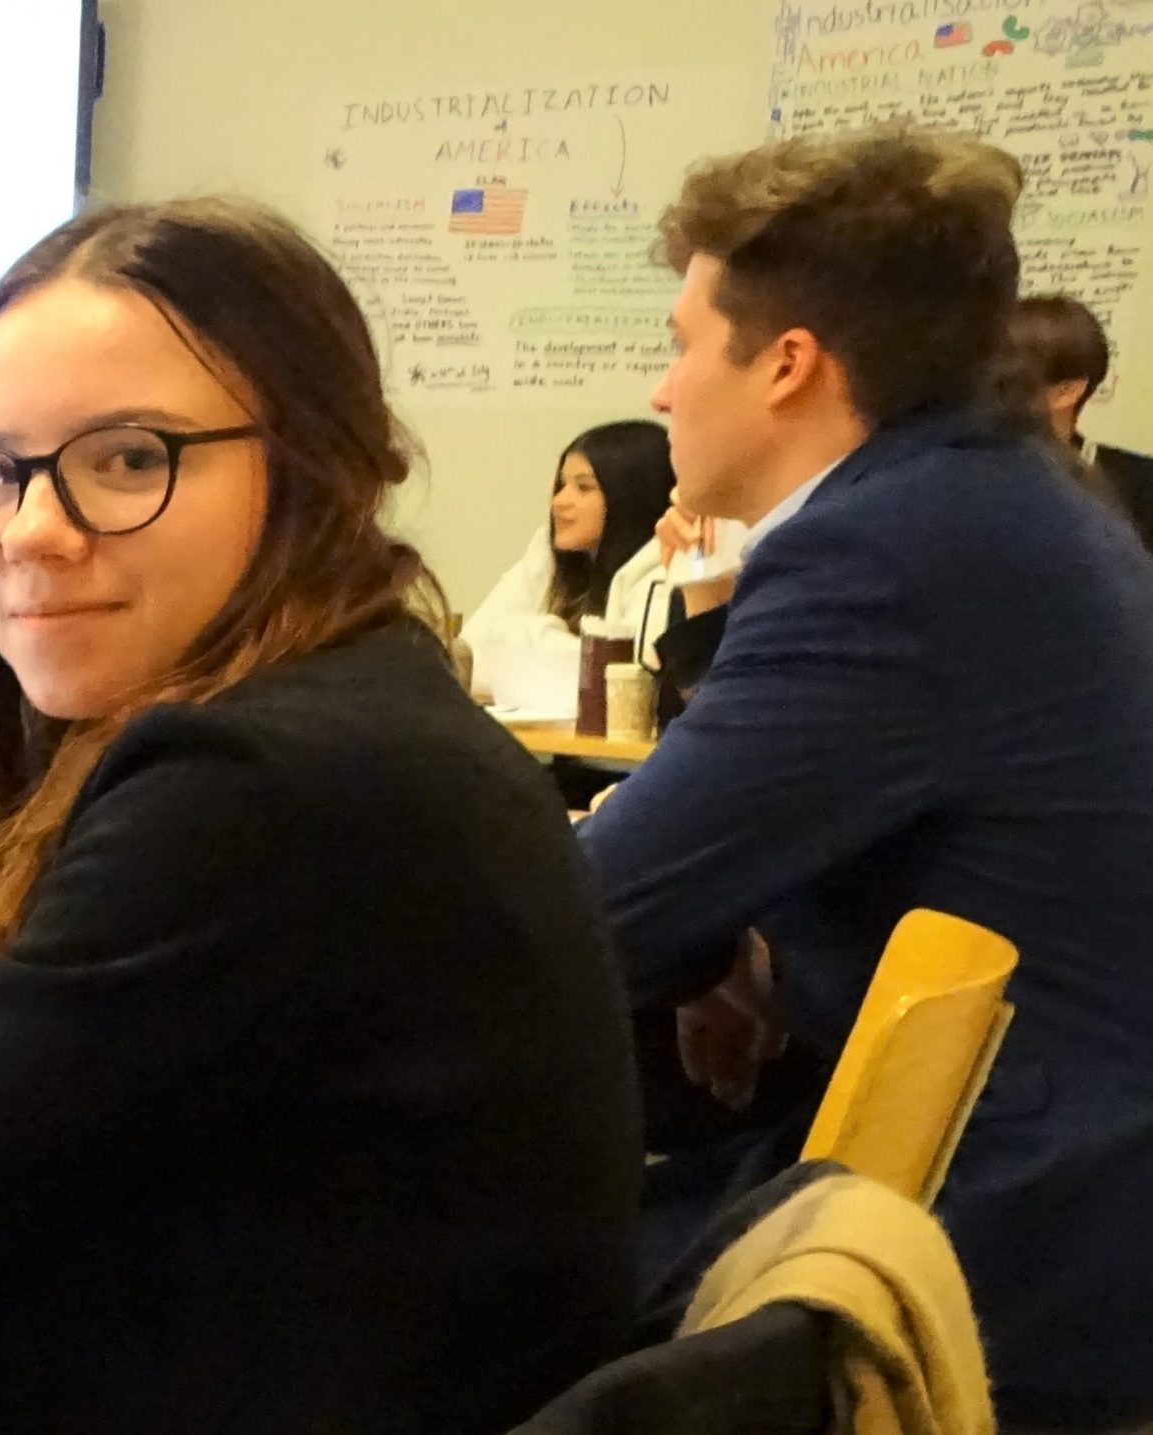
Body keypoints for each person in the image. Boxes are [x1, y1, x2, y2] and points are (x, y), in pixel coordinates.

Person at [0, 199, 642, 1435]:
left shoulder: (252, 783)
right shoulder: (369, 700)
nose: (30, 532)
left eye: (127, 459)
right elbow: (246, 1117)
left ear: (313, 469)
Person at [578, 125, 1153, 1433]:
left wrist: (699, 923)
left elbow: (594, 909)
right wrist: (737, 943)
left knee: (453, 1288)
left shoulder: (885, 550)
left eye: (681, 343)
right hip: (1066, 1174)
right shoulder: (1004, 498)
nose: (661, 391)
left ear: (786, 364)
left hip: (1018, 1229)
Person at [462, 418, 678, 670]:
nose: (558, 501)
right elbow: (470, 647)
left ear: (631, 497)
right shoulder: (548, 548)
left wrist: (525, 633)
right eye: (562, 485)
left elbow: (623, 671)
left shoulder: (664, 569)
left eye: (583, 487)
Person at [1007, 294, 1153, 550]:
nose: (986, 391)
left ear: (1067, 392)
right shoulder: (970, 471)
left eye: (1011, 380)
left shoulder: (1140, 483)